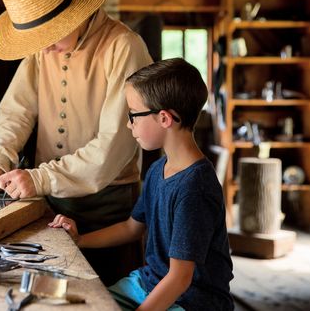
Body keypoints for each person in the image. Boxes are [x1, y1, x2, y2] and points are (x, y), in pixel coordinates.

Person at [0, 0, 152, 285]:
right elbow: (17, 109)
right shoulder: (43, 49)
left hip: (107, 208)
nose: (45, 47)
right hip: (50, 206)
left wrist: (39, 178)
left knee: (105, 296)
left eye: (50, 36)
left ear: (74, 16)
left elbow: (112, 147)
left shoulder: (124, 47)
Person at [49, 58, 234, 310]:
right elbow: (131, 228)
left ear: (164, 118)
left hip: (192, 301)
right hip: (148, 284)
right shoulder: (159, 169)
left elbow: (180, 278)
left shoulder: (194, 187)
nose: (129, 124)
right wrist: (79, 240)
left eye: (133, 115)